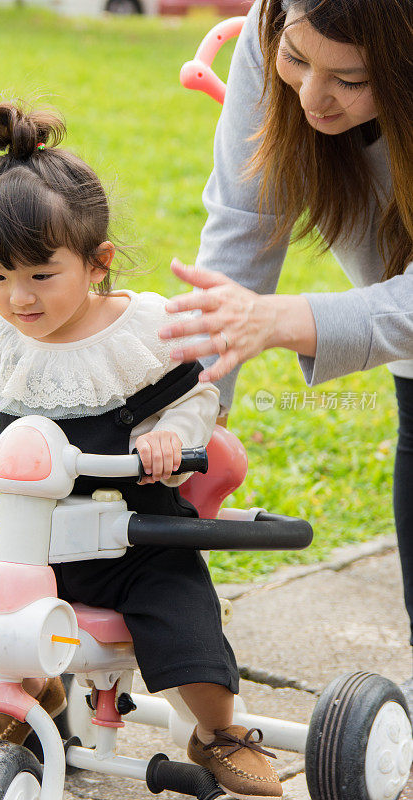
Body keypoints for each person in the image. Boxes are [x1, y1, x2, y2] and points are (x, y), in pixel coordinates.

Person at [0, 101, 284, 799]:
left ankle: (218, 730)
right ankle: (27, 697)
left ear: (97, 261)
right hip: (36, 541)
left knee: (185, 631)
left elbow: (194, 393)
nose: (18, 297)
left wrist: (170, 438)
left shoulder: (141, 332)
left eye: (41, 276)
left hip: (137, 541)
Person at [158, 0, 413, 696]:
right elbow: (244, 225)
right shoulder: (275, 19)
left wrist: (285, 318)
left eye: (350, 78)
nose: (310, 95)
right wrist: (197, 416)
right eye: (296, 59)